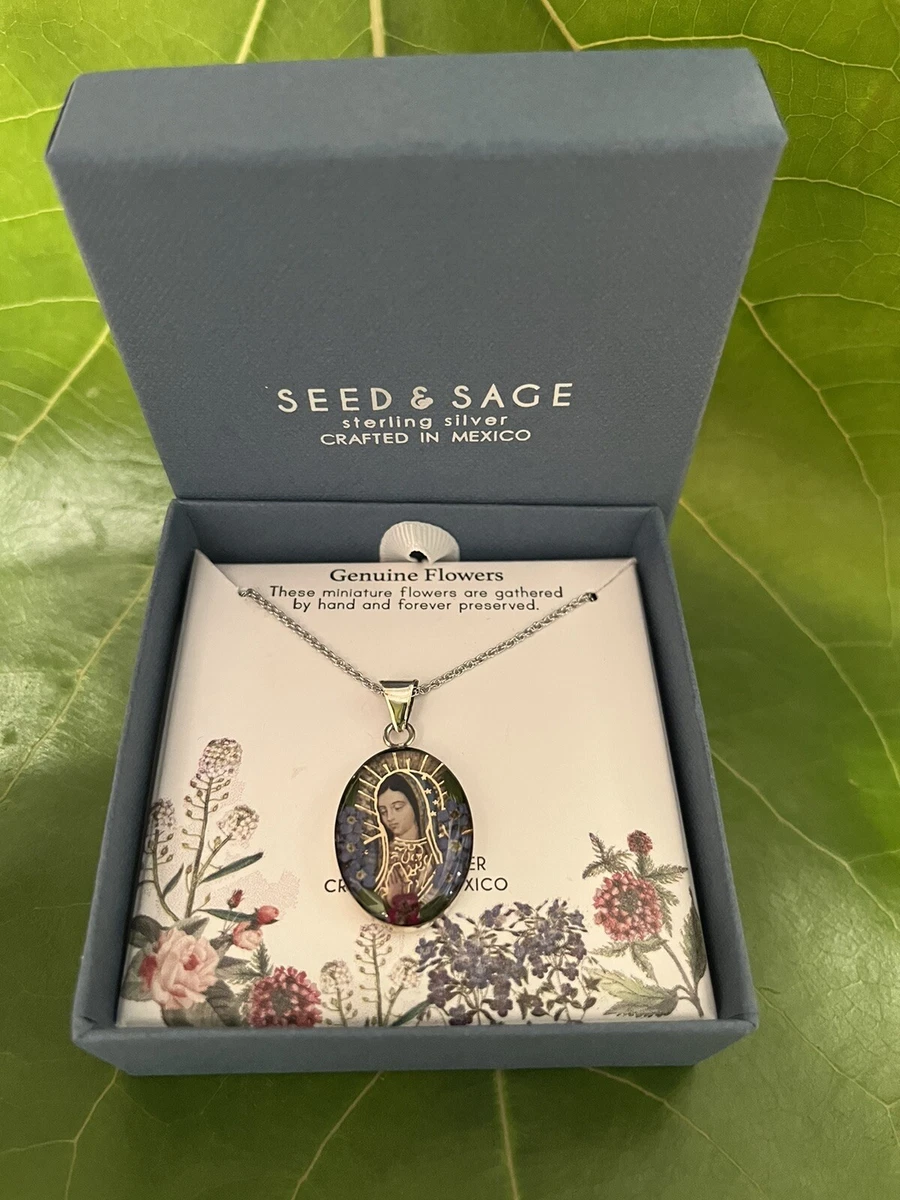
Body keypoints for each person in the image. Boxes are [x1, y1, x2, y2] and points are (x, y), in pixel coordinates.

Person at [374, 772, 440, 903]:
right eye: (383, 811)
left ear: (416, 805)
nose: (389, 817)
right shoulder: (381, 857)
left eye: (397, 808)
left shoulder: (433, 856)